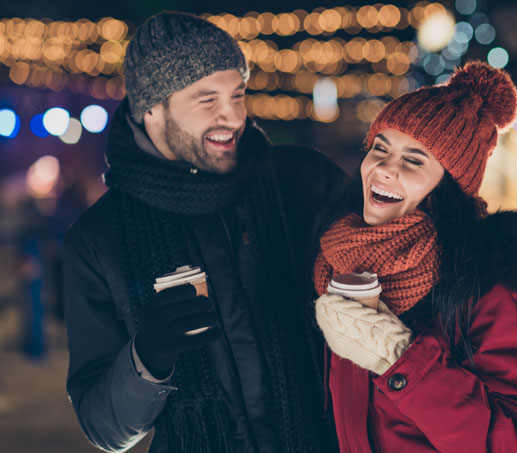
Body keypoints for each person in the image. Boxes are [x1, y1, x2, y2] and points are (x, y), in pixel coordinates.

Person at [62, 12, 342, 453]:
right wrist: (146, 360)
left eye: (237, 94)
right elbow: (103, 428)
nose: (232, 116)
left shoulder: (304, 182)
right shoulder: (98, 239)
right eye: (206, 100)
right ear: (151, 108)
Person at [312, 61, 517, 452]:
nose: (385, 170)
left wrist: (397, 359)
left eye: (413, 160)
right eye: (379, 149)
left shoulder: (489, 282)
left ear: (450, 185)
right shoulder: (338, 256)